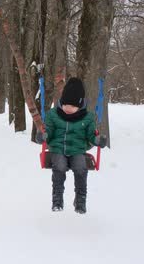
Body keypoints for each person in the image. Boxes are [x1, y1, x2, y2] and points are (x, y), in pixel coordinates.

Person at [36, 77, 106, 214]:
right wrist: (43, 136)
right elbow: (48, 131)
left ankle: (80, 200)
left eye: (72, 106)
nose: (68, 109)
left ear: (80, 105)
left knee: (80, 168)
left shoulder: (88, 117)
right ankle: (57, 199)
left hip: (77, 150)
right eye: (66, 105)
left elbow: (91, 135)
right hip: (58, 148)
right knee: (60, 167)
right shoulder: (53, 115)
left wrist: (98, 141)